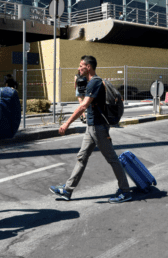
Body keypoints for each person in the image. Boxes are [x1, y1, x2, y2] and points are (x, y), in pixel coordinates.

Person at [50, 55, 132, 204]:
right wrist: (78, 91)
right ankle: (67, 190)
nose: (79, 68)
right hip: (92, 127)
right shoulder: (92, 83)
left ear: (88, 67)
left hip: (98, 128)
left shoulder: (94, 83)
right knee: (81, 158)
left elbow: (83, 106)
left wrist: (66, 123)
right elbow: (84, 102)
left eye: (81, 65)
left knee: (112, 159)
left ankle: (125, 191)